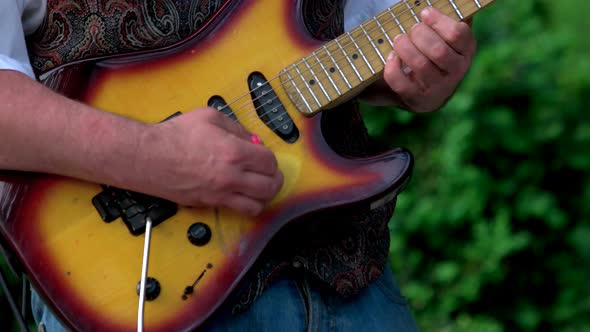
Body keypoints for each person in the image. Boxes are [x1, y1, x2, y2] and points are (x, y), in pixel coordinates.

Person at [0, 0, 476, 331]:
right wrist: (152, 156)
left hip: (348, 277)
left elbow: (361, 30)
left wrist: (420, 66)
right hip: (146, 281)